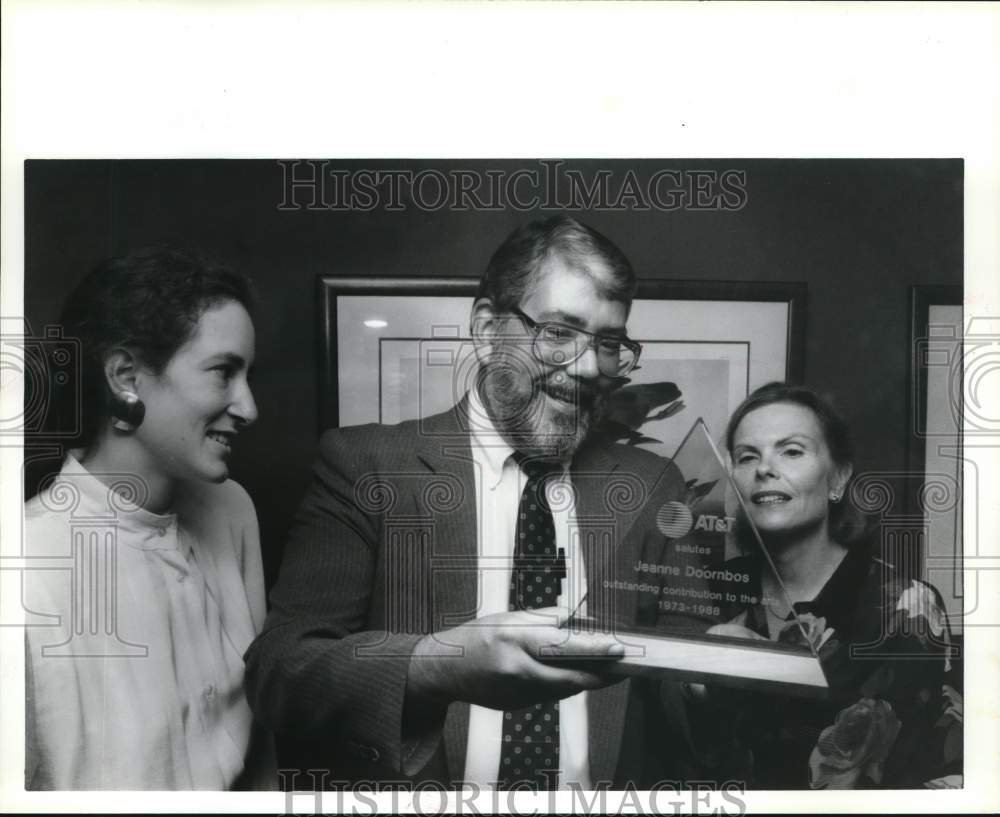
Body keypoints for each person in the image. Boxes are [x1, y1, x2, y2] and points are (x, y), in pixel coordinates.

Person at [245, 215, 692, 790]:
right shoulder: (367, 466)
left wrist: (717, 677)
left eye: (607, 344)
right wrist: (438, 665)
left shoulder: (653, 485)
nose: (587, 368)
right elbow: (282, 671)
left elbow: (686, 682)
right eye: (559, 332)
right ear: (485, 330)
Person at [24, 248, 275, 789]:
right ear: (125, 377)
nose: (248, 408)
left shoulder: (231, 511)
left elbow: (261, 740)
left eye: (248, 375)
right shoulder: (25, 572)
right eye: (223, 372)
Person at [692, 382, 956, 789]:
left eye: (791, 451)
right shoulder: (709, 591)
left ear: (838, 479)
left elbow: (930, 773)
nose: (764, 469)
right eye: (747, 457)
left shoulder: (906, 607)